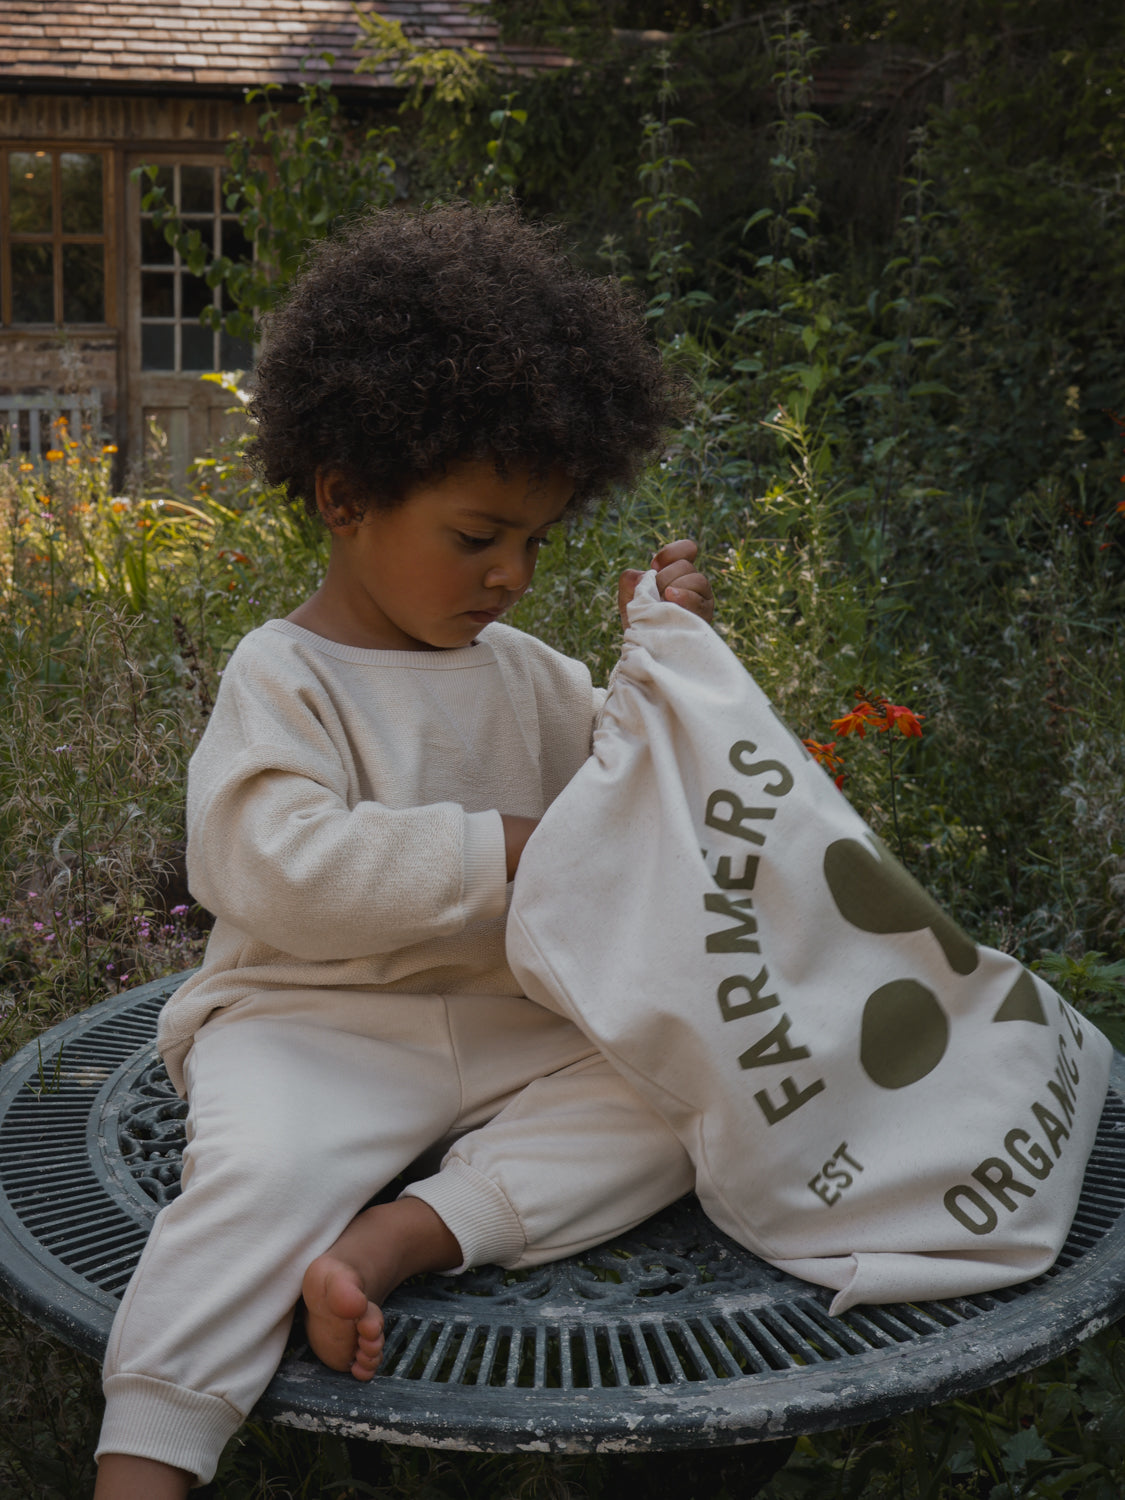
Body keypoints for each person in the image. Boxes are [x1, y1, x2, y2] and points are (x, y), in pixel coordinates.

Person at [93, 203, 715, 1499]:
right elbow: (271, 867)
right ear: (346, 495)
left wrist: (665, 670)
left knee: (683, 1095)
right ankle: (149, 1453)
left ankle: (403, 1238)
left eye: (535, 541)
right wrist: (500, 846)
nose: (511, 575)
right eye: (477, 537)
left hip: (514, 1019)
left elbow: (632, 805)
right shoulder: (287, 675)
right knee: (252, 1187)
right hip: (311, 1024)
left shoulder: (529, 674)